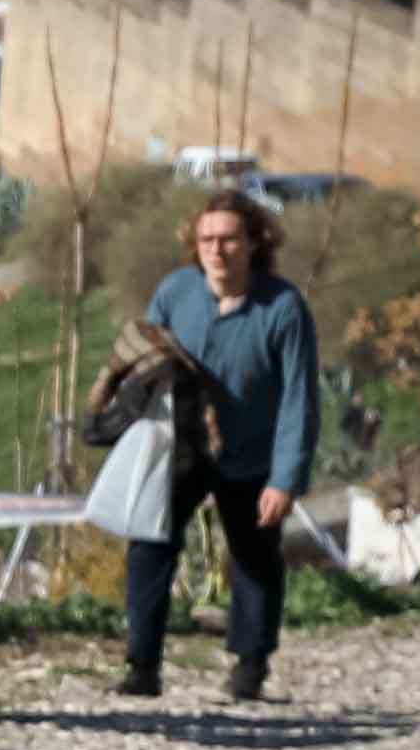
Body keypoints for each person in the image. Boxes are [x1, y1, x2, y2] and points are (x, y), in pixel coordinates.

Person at [125, 188, 317, 703]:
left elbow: (299, 397)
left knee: (254, 558)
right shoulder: (175, 293)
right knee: (149, 548)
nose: (217, 249)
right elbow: (144, 362)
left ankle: (250, 665)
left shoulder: (283, 308)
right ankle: (142, 665)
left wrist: (285, 479)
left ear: (254, 242)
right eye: (206, 238)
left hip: (251, 454)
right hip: (181, 449)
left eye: (229, 239)